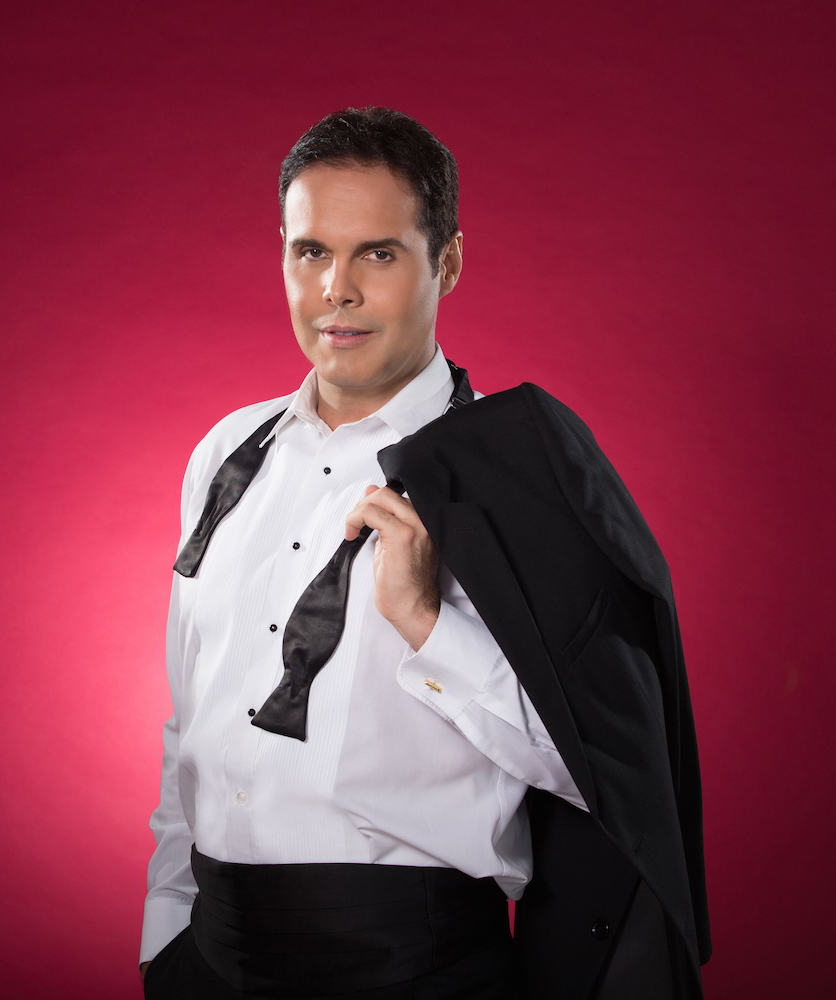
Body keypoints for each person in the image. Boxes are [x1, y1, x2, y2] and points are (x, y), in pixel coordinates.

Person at [140, 107, 709, 999]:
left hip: (416, 967)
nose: (336, 290)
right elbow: (191, 718)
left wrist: (427, 625)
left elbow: (605, 772)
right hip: (209, 960)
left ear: (446, 261)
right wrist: (165, 933)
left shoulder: (516, 478)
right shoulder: (224, 456)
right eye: (310, 251)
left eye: (378, 253)